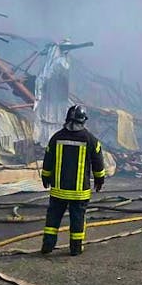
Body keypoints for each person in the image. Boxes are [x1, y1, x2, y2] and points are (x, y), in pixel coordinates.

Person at [40, 104, 106, 256]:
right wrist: (99, 179)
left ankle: (47, 246)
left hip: (59, 191)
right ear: (83, 121)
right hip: (79, 192)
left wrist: (45, 176)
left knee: (53, 219)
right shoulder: (91, 140)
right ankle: (75, 248)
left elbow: (48, 159)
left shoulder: (56, 138)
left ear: (67, 119)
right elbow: (98, 163)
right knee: (77, 220)